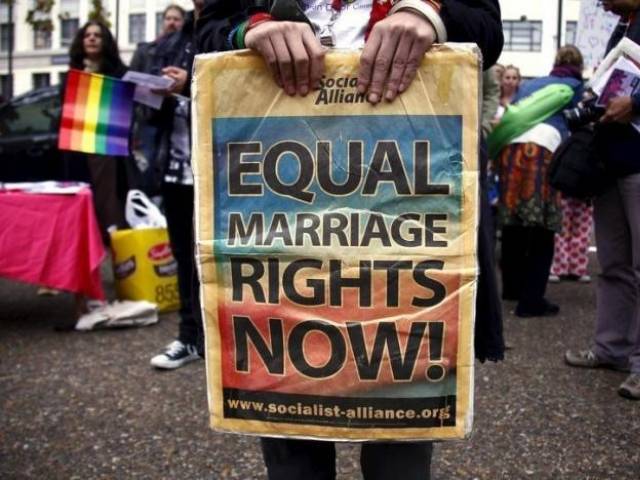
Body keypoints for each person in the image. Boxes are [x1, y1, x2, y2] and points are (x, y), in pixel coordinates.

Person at [196, 1, 504, 479]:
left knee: (401, 427)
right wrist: (251, 33)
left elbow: (486, 26)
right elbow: (211, 30)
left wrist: (429, 13)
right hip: (279, 196)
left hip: (406, 190)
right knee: (288, 426)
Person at [565, 0, 640, 401]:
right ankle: (612, 348)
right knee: (613, 265)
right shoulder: (625, 26)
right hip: (613, 162)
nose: (601, 3)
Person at [496, 45, 584, 317]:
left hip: (512, 148)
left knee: (513, 222)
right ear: (578, 66)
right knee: (542, 227)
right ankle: (531, 300)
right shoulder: (575, 86)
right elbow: (579, 121)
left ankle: (511, 288)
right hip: (544, 151)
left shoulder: (535, 84)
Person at [149, 0, 205, 370]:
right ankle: (189, 337)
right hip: (175, 169)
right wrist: (158, 91)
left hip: (217, 168)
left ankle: (218, 339)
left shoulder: (239, 25)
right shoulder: (176, 37)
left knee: (215, 258)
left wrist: (190, 85)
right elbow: (149, 109)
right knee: (184, 257)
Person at [65, 21, 131, 243]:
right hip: (76, 151)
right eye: (87, 35)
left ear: (105, 42)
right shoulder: (71, 73)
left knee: (110, 206)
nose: (92, 39)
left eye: (97, 35)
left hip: (108, 151)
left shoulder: (119, 74)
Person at [130, 4, 187, 198]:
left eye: (176, 19)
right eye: (168, 18)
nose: (172, 22)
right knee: (150, 171)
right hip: (150, 119)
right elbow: (131, 83)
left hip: (176, 119)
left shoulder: (187, 51)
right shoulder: (146, 51)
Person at [549, 195, 593, 283]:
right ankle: (574, 269)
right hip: (574, 191)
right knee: (566, 232)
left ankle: (567, 269)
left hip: (579, 193)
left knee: (564, 232)